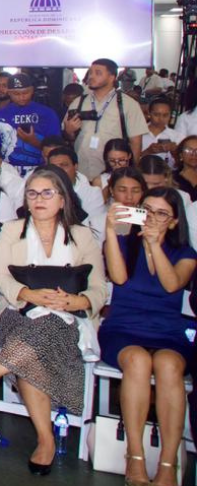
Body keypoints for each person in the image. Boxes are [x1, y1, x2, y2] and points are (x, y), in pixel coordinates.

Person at [0, 169, 107, 475]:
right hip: (15, 311)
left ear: (63, 198)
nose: (38, 200)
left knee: (43, 335)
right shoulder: (12, 229)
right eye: (32, 193)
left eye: (47, 193)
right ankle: (44, 438)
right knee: (36, 332)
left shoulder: (82, 234)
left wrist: (73, 301)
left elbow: (99, 288)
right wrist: (30, 294)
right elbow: (0, 277)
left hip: (68, 317)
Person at [97, 188, 195, 486]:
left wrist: (155, 246)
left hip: (167, 330)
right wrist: (112, 231)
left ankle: (168, 463)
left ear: (175, 221)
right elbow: (119, 277)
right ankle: (135, 456)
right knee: (138, 361)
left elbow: (171, 284)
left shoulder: (186, 254)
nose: (152, 218)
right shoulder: (125, 243)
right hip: (124, 327)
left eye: (161, 213)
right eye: (147, 210)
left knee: (168, 365)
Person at [62, 58, 146, 179]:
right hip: (81, 173)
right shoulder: (78, 102)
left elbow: (136, 143)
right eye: (90, 72)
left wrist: (129, 175)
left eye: (98, 73)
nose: (91, 76)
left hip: (113, 174)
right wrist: (68, 131)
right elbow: (69, 138)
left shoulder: (128, 104)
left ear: (112, 77)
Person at [0, 73, 60, 175]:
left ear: (32, 90)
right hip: (8, 172)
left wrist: (34, 142)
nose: (22, 97)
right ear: (9, 92)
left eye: (26, 92)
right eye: (16, 94)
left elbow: (57, 151)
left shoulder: (47, 114)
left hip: (41, 171)